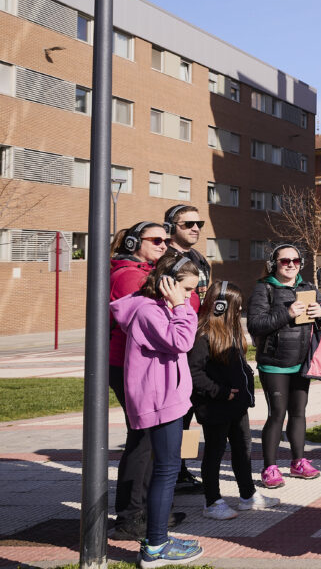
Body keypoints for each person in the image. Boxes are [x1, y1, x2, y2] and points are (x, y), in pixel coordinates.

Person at [109, 253, 204, 567]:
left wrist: (177, 306)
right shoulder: (149, 311)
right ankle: (156, 546)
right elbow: (182, 341)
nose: (190, 297)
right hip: (160, 401)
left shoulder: (153, 307)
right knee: (166, 470)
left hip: (166, 397)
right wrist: (180, 307)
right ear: (168, 283)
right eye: (187, 290)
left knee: (166, 469)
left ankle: (157, 538)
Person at [108, 221, 177, 541]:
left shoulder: (143, 272)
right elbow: (152, 322)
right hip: (129, 365)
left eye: (166, 240)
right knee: (143, 440)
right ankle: (129, 517)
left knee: (148, 441)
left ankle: (147, 510)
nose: (164, 245)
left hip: (141, 364)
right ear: (135, 243)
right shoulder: (129, 276)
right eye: (156, 240)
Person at [187, 281, 280, 520]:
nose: (239, 312)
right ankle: (212, 501)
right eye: (236, 307)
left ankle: (247, 495)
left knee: (243, 450)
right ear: (219, 307)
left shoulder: (231, 332)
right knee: (215, 452)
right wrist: (219, 391)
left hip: (237, 407)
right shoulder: (203, 336)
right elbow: (194, 373)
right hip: (216, 406)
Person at [247, 243, 321, 488]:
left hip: (301, 361)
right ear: (275, 264)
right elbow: (256, 325)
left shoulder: (308, 287)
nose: (291, 265)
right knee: (277, 414)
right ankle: (269, 467)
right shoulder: (264, 288)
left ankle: (298, 462)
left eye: (295, 260)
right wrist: (288, 313)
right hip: (274, 364)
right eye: (285, 261)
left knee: (299, 413)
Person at [164, 204, 211, 494]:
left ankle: (182, 468)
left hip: (197, 342)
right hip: (172, 343)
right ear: (171, 227)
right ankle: (170, 470)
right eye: (188, 224)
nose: (195, 228)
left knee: (190, 411)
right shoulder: (164, 259)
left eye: (199, 224)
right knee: (174, 413)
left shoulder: (199, 259)